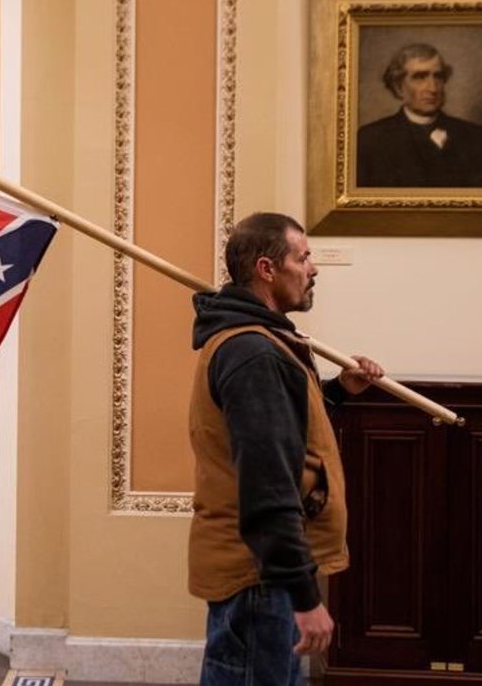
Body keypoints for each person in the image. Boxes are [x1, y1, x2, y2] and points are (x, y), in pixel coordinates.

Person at [188, 212, 384, 685]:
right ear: (266, 269)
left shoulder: (264, 343)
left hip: (262, 571)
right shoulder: (253, 352)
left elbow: (281, 431)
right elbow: (268, 482)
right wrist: (303, 596)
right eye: (304, 257)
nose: (313, 268)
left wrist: (337, 391)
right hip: (261, 577)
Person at [356, 42, 482, 188]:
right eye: (420, 77)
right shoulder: (370, 140)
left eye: (438, 77)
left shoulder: (477, 137)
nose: (433, 88)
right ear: (398, 87)